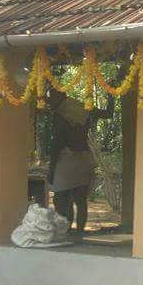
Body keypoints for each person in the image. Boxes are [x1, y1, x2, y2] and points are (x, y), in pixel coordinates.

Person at [47, 88, 111, 238]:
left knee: (61, 198)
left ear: (59, 97)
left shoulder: (60, 115)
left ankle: (65, 231)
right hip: (84, 159)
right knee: (80, 199)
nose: (48, 102)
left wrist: (51, 167)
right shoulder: (82, 108)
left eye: (50, 98)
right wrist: (111, 94)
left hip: (66, 160)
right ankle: (80, 232)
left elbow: (56, 143)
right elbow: (108, 113)